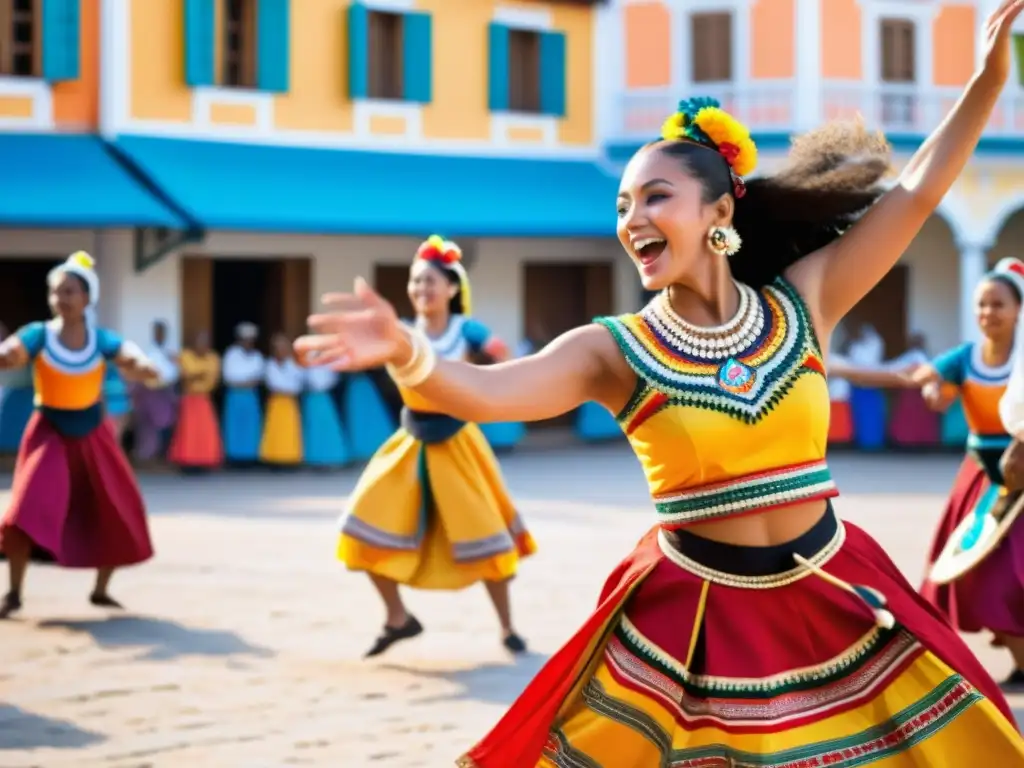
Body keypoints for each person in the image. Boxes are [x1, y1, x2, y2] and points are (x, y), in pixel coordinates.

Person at [297, 6, 1024, 762]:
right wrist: (406, 353)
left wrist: (986, 80)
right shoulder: (616, 350)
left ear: (719, 211)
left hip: (836, 597)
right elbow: (483, 393)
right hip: (696, 628)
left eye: (653, 197)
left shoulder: (805, 300)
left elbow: (917, 190)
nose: (631, 217)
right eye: (621, 205)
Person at [324, 235, 535, 658]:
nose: (422, 289)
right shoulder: (402, 333)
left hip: (457, 443)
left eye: (431, 281)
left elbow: (505, 360)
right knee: (361, 527)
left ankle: (508, 627)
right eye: (416, 281)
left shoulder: (467, 331)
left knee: (486, 537)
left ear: (452, 289)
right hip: (411, 443)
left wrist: (483, 379)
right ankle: (397, 618)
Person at [0, 251, 158, 619]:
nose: (61, 299)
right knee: (25, 510)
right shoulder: (39, 334)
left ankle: (101, 591)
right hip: (48, 432)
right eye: (56, 292)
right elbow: (14, 352)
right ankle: (15, 592)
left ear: (87, 297)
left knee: (116, 506)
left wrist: (144, 368)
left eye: (70, 291)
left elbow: (131, 357)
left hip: (92, 433)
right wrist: (6, 354)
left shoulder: (102, 340)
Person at [918, 258, 1024, 689]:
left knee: (1011, 575)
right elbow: (924, 379)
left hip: (1019, 473)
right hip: (980, 479)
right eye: (981, 305)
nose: (987, 313)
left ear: (1018, 309)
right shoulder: (966, 357)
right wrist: (930, 386)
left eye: (997, 304)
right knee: (973, 571)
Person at [168, 330, 223, 472]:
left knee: (204, 431)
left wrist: (195, 374)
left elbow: (211, 380)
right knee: (188, 432)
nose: (203, 345)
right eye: (200, 342)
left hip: (204, 398)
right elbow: (186, 374)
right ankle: (187, 461)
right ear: (193, 344)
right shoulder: (186, 355)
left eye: (205, 343)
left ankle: (205, 461)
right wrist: (200, 373)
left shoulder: (213, 358)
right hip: (189, 399)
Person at [131, 319, 179, 465]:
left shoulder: (170, 352)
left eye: (162, 332)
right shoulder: (147, 351)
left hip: (165, 393)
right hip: (150, 393)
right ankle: (147, 457)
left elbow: (174, 371)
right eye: (157, 332)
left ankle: (163, 456)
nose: (160, 335)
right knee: (148, 427)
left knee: (166, 425)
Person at [222, 322, 265, 465]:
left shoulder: (258, 356)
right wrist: (245, 381)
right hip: (235, 396)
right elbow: (228, 378)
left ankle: (251, 457)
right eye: (245, 339)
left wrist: (243, 382)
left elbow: (257, 379)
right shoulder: (231, 354)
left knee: (251, 427)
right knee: (234, 426)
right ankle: (234, 457)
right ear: (239, 340)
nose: (248, 342)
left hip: (250, 397)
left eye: (251, 339)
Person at [259, 332, 304, 467]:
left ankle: (290, 458)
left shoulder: (294, 364)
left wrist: (286, 388)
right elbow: (273, 384)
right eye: (278, 348)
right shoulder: (270, 365)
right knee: (275, 430)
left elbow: (297, 384)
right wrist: (286, 387)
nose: (281, 350)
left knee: (289, 431)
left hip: (289, 402)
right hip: (277, 401)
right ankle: (274, 458)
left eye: (284, 347)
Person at [301, 360, 349, 468]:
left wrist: (320, 386)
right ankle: (314, 458)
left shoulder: (327, 365)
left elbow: (332, 380)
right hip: (311, 398)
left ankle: (333, 456)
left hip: (324, 398)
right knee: (313, 428)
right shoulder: (305, 364)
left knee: (328, 427)